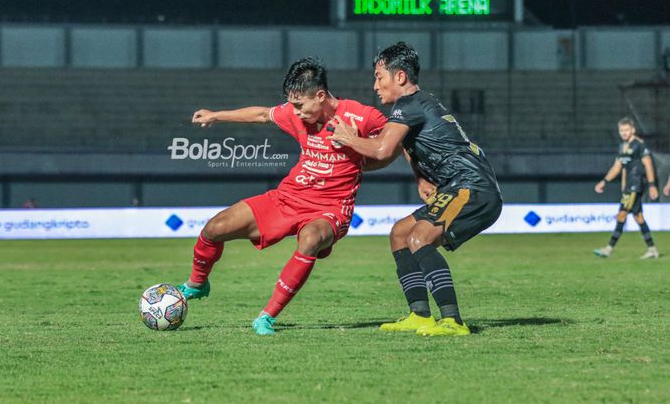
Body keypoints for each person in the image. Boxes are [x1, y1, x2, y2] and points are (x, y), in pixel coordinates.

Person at [177, 57, 388, 335]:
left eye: (300, 105)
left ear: (321, 95)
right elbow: (262, 114)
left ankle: (266, 316)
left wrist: (363, 153)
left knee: (310, 238)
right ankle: (197, 284)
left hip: (331, 208)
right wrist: (216, 115)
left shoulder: (361, 115)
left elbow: (393, 141)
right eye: (292, 106)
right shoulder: (294, 113)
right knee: (214, 228)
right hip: (287, 198)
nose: (296, 112)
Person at [328, 42, 502, 337]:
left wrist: (348, 138)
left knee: (420, 238)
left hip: (472, 187)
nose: (375, 86)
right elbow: (404, 149)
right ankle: (420, 315)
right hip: (459, 186)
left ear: (400, 77)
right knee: (399, 234)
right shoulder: (415, 106)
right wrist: (420, 177)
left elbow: (383, 150)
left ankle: (452, 321)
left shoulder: (409, 106)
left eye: (379, 77)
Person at [593, 117, 659, 259]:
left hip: (635, 185)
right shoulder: (622, 147)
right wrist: (604, 181)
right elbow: (617, 167)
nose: (624, 132)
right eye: (621, 130)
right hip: (629, 187)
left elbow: (648, 164)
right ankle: (652, 249)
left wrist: (652, 185)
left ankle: (608, 249)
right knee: (638, 217)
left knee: (621, 215)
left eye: (626, 130)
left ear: (633, 130)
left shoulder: (639, 145)